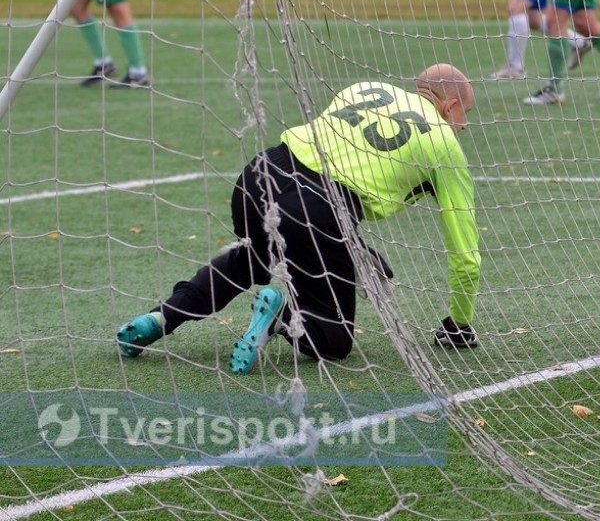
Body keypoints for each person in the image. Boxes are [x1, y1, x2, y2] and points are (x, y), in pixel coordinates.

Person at [116, 65, 483, 374]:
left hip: (259, 176)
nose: (462, 128)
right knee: (336, 340)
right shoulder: (445, 146)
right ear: (449, 106)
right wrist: (458, 323)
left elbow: (330, 162)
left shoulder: (365, 87)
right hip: (319, 211)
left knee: (252, 261)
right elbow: (465, 257)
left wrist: (356, 249)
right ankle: (279, 314)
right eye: (463, 117)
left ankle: (160, 318)